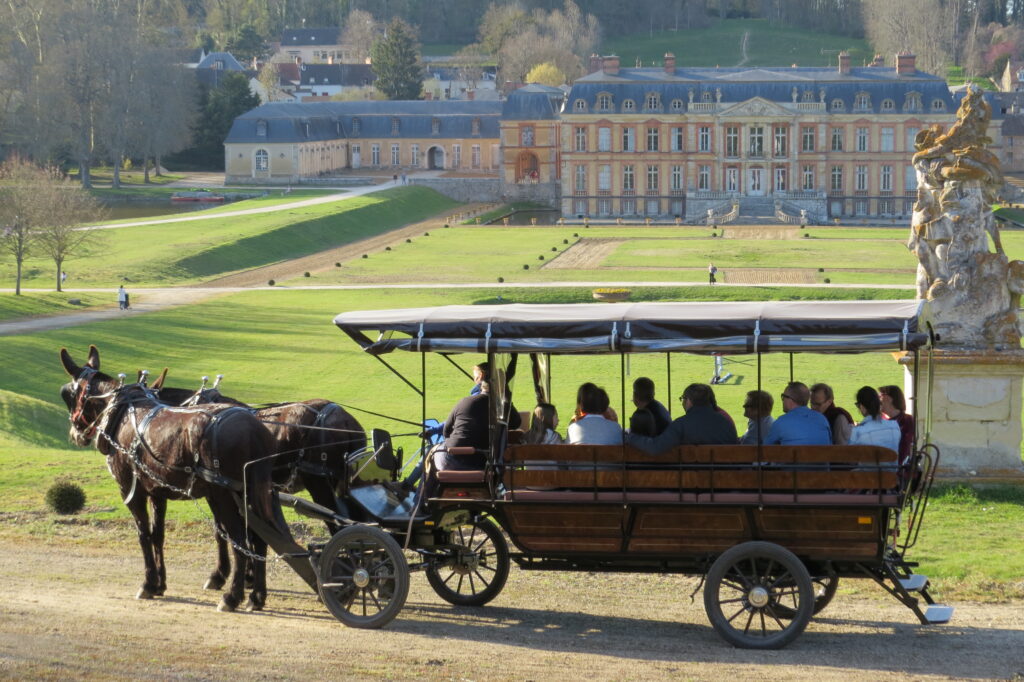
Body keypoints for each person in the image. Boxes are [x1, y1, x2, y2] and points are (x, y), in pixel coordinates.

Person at [627, 383, 737, 455]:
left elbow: (655, 447)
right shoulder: (726, 423)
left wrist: (629, 437)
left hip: (690, 480)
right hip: (727, 478)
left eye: (683, 399)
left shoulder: (681, 424)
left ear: (688, 401)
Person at [763, 381, 831, 446]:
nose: (783, 400)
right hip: (822, 454)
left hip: (794, 454)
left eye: (783, 396)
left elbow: (765, 448)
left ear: (790, 399)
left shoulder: (781, 422)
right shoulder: (822, 419)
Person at [849, 386, 900, 451]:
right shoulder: (894, 426)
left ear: (862, 407)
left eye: (858, 405)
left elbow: (850, 455)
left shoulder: (857, 432)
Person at [878, 385, 914, 463]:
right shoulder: (882, 420)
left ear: (889, 399)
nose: (878, 400)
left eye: (880, 396)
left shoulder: (906, 420)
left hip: (895, 466)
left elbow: (904, 448)